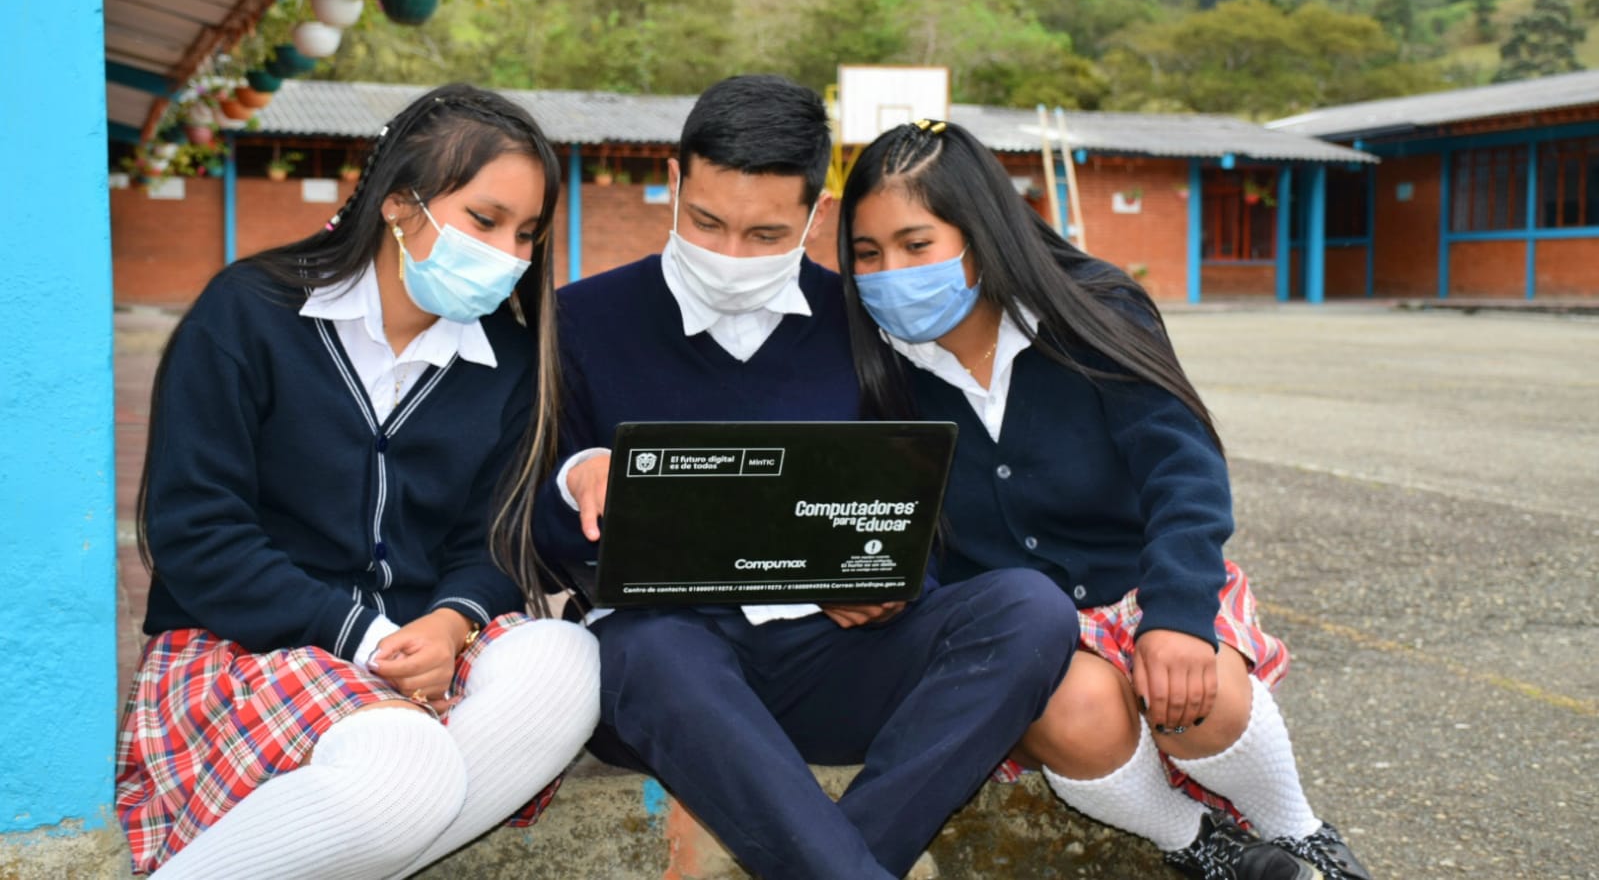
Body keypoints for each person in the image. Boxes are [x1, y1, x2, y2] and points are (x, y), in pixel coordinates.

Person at [532, 75, 1077, 879]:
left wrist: (892, 578)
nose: (728, 255)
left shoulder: (866, 323)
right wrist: (578, 476)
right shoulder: (576, 320)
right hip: (677, 676)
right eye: (706, 221)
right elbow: (524, 527)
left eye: (764, 234)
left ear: (815, 215)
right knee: (642, 648)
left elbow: (920, 497)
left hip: (838, 660)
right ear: (674, 181)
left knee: (1028, 607)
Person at [836, 119, 1374, 880]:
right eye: (867, 253)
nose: (889, 271)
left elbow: (1180, 469)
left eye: (916, 245)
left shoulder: (1091, 311)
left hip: (1138, 587)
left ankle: (1300, 834)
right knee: (1075, 709)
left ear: (982, 235)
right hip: (1023, 631)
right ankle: (1198, 844)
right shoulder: (874, 372)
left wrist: (1177, 615)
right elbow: (888, 527)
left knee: (1199, 690)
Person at [116, 84, 600, 878]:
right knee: (402, 764)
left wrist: (449, 624)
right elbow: (196, 535)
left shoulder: (508, 365)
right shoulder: (248, 314)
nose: (510, 255)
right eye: (485, 221)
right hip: (247, 650)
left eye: (526, 234)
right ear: (398, 203)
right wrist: (368, 642)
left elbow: (493, 540)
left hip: (419, 652)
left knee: (565, 661)